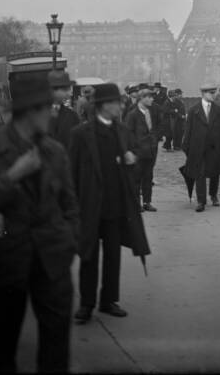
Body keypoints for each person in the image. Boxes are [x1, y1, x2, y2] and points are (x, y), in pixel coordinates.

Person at [0, 71, 79, 374]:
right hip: (6, 262)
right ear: (31, 111)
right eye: (48, 107)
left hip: (52, 263)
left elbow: (70, 204)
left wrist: (68, 242)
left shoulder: (55, 151)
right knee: (3, 351)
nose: (54, 112)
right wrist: (12, 175)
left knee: (56, 352)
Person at [70, 83, 149, 324]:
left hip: (116, 205)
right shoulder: (81, 134)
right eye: (117, 102)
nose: (122, 105)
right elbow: (71, 172)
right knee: (89, 256)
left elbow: (136, 160)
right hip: (90, 205)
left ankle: (108, 300)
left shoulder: (123, 131)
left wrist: (132, 159)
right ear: (104, 106)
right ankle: (86, 303)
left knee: (113, 255)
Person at [181, 83, 220, 212]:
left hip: (215, 148)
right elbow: (188, 130)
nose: (214, 95)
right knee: (200, 174)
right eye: (211, 93)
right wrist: (186, 148)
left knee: (215, 173)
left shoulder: (219, 111)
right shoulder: (194, 111)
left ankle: (213, 195)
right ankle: (201, 201)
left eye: (214, 93)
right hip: (198, 149)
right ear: (203, 94)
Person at [125, 87, 160, 212]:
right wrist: (132, 151)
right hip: (138, 153)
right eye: (149, 97)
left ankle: (147, 202)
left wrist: (154, 142)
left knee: (148, 178)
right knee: (136, 180)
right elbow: (127, 134)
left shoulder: (151, 111)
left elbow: (155, 128)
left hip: (150, 152)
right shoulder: (132, 114)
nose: (152, 99)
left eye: (152, 96)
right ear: (141, 98)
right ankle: (136, 203)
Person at [47, 69, 80, 153]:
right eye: (65, 90)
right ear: (52, 90)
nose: (69, 94)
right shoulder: (36, 115)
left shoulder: (72, 116)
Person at [160, 87, 177, 152]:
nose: (175, 97)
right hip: (167, 121)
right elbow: (165, 111)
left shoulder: (171, 102)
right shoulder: (167, 102)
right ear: (171, 96)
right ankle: (168, 147)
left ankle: (166, 145)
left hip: (170, 121)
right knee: (169, 135)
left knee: (170, 135)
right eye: (174, 95)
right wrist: (174, 111)